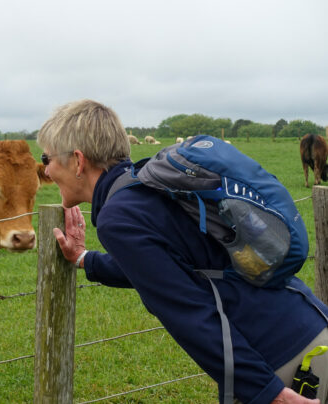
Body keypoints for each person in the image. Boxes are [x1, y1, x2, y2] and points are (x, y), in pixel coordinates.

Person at [37, 99, 328, 404]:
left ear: (78, 161)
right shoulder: (149, 181)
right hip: (308, 325)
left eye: (47, 157)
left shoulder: (118, 217)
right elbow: (166, 265)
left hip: (283, 361)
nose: (46, 169)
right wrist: (84, 258)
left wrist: (269, 394)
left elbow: (187, 312)